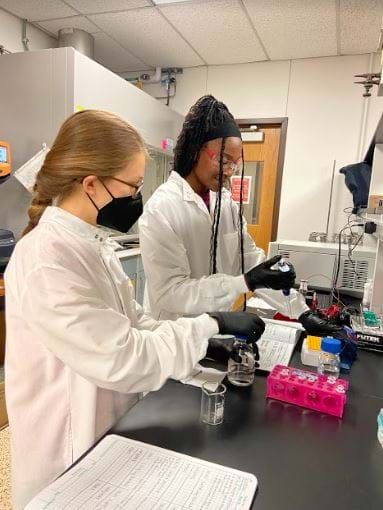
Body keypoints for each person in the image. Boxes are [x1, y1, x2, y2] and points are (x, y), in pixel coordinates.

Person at [4, 110, 265, 509]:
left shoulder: (93, 243)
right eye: (133, 185)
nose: (137, 198)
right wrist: (208, 324)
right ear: (91, 184)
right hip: (66, 450)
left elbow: (138, 321)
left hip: (110, 430)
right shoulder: (46, 258)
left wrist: (204, 348)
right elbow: (121, 355)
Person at [139, 95, 350, 340]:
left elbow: (250, 261)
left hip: (219, 333)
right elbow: (171, 293)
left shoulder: (225, 203)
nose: (228, 170)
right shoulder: (162, 209)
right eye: (222, 160)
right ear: (195, 150)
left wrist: (300, 311)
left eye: (234, 164)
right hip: (175, 338)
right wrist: (244, 283)